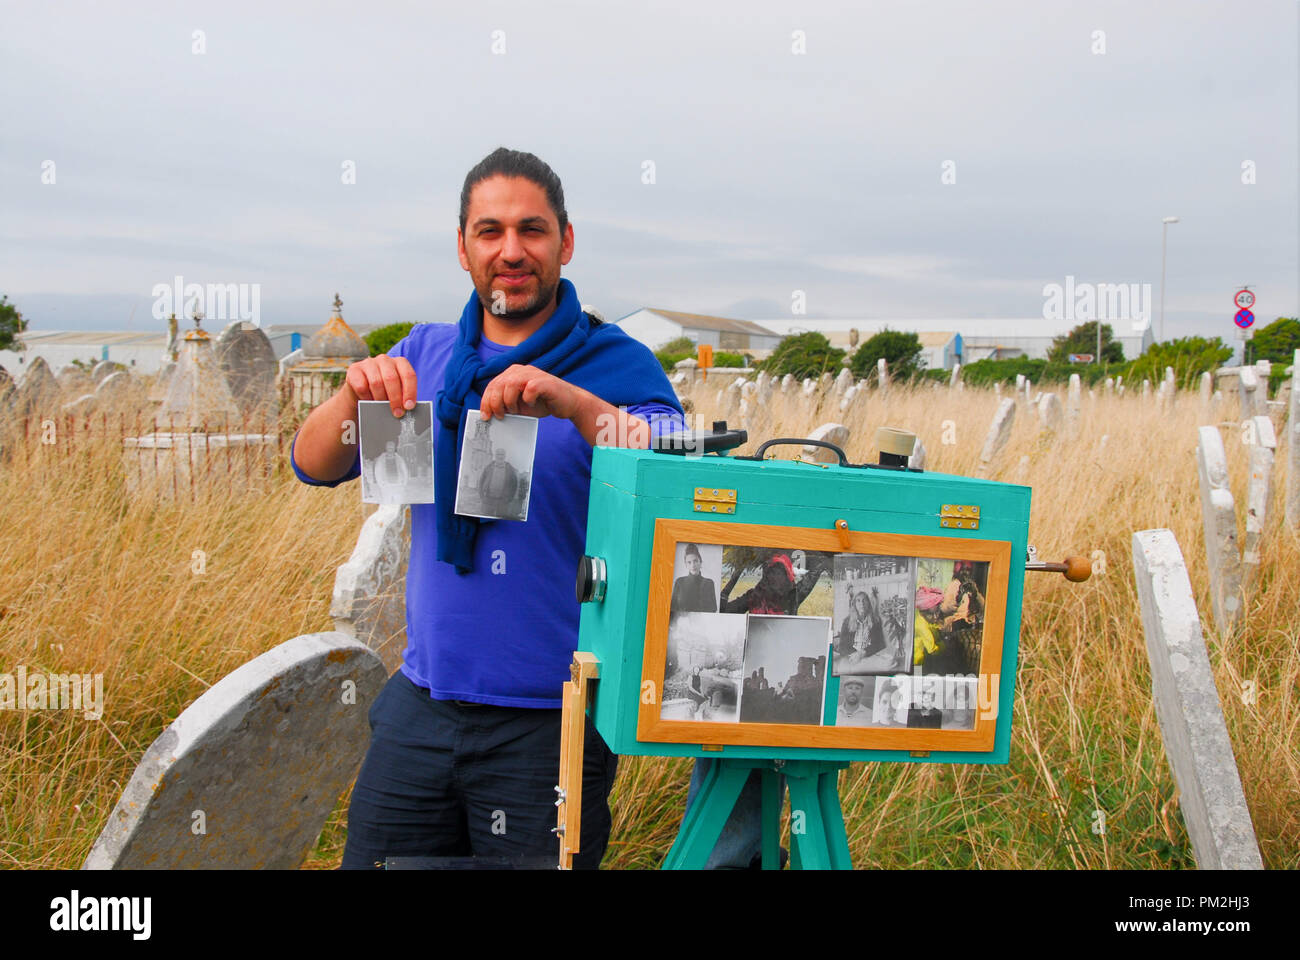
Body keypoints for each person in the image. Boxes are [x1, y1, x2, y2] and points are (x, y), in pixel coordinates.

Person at [291, 148, 686, 869]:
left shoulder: (613, 363)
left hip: (551, 722)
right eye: (490, 231)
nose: (511, 251)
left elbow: (670, 458)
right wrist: (353, 395)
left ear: (565, 242)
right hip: (421, 704)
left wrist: (569, 403)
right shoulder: (427, 356)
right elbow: (312, 463)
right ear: (463, 248)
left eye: (532, 230)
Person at [670, 543, 717, 613]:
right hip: (682, 622)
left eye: (695, 561)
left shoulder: (709, 583)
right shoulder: (679, 582)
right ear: (686, 565)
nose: (693, 565)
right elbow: (672, 608)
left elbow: (713, 609)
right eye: (689, 562)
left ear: (700, 562)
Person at [476, 447, 519, 517]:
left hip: (503, 501)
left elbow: (514, 484)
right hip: (488, 499)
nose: (500, 456)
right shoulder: (488, 467)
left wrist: (509, 498)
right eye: (498, 454)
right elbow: (481, 482)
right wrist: (482, 496)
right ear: (495, 456)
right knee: (486, 517)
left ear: (505, 456)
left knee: (500, 519)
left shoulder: (510, 469)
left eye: (502, 454)